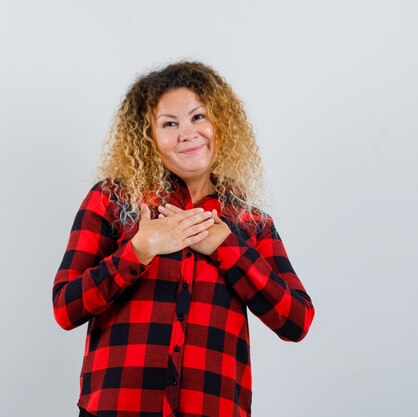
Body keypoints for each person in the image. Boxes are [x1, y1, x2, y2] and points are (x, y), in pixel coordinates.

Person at [52, 60, 315, 417]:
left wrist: (226, 248)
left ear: (221, 124)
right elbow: (66, 309)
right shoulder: (112, 201)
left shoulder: (249, 222)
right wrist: (139, 251)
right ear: (148, 137)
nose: (188, 133)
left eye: (198, 117)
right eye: (169, 124)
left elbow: (296, 320)